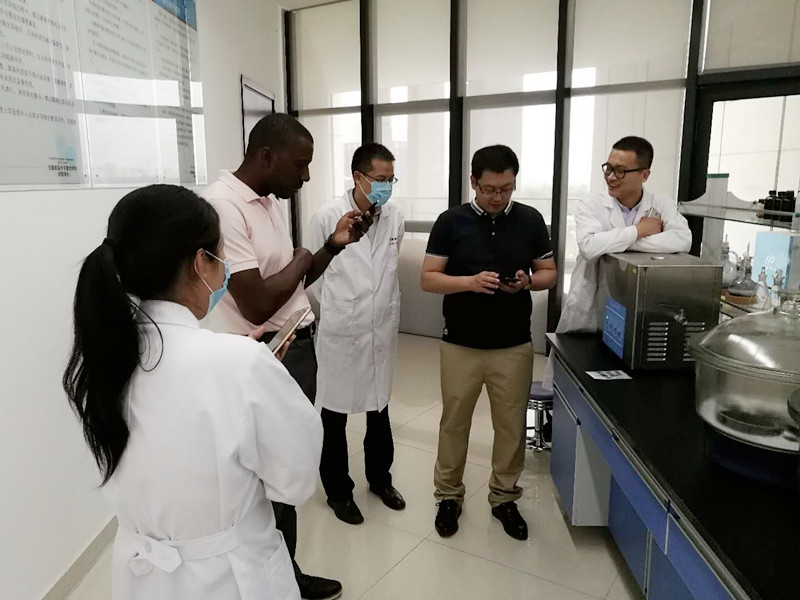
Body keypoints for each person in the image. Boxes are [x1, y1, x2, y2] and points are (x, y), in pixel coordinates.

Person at [62, 185, 322, 599]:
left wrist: (243, 365)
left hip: (141, 579)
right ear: (201, 263)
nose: (225, 271)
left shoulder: (105, 360)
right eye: (222, 258)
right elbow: (296, 481)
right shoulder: (240, 365)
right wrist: (258, 373)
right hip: (230, 579)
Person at [203, 113, 369, 600]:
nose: (307, 176)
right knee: (268, 479)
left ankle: (285, 575)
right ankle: (271, 583)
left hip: (293, 345)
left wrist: (330, 247)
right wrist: (299, 259)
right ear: (266, 157)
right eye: (301, 165)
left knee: (285, 467)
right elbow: (257, 302)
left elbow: (290, 284)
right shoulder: (224, 207)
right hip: (266, 354)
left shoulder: (267, 200)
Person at [421, 145, 557, 541]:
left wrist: (528, 282)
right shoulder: (451, 222)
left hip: (513, 345)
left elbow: (548, 272)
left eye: (507, 188)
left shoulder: (530, 220)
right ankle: (449, 496)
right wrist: (470, 282)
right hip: (460, 344)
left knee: (511, 427)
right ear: (473, 182)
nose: (498, 197)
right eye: (490, 189)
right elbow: (428, 278)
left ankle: (504, 498)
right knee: (454, 424)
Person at [305, 143, 406, 525]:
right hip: (341, 332)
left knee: (379, 411)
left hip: (380, 330)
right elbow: (313, 277)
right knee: (334, 416)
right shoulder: (326, 216)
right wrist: (337, 311)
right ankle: (338, 491)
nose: (386, 187)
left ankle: (380, 480)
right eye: (380, 179)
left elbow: (388, 270)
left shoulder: (394, 217)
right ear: (358, 177)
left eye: (391, 179)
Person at [543, 136, 692, 390]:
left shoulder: (662, 204)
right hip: (590, 308)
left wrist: (618, 241)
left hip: (638, 307)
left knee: (625, 386)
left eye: (621, 171)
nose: (611, 177)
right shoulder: (592, 204)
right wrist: (639, 231)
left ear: (644, 175)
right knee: (574, 382)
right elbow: (589, 247)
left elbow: (683, 240)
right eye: (608, 168)